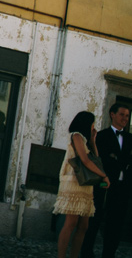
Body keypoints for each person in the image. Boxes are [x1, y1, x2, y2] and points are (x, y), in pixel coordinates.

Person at [54, 111, 110, 258]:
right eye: (92, 123)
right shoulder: (76, 136)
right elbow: (85, 160)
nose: (93, 126)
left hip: (84, 184)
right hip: (74, 183)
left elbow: (95, 158)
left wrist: (93, 140)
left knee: (83, 226)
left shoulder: (84, 139)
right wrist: (103, 175)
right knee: (71, 223)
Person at [81, 103, 131, 258]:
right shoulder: (101, 136)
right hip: (103, 184)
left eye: (127, 116)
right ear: (112, 114)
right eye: (122, 114)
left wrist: (115, 158)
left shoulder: (130, 138)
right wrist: (119, 160)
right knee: (94, 219)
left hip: (122, 187)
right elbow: (99, 160)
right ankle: (87, 252)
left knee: (116, 223)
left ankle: (109, 254)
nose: (125, 118)